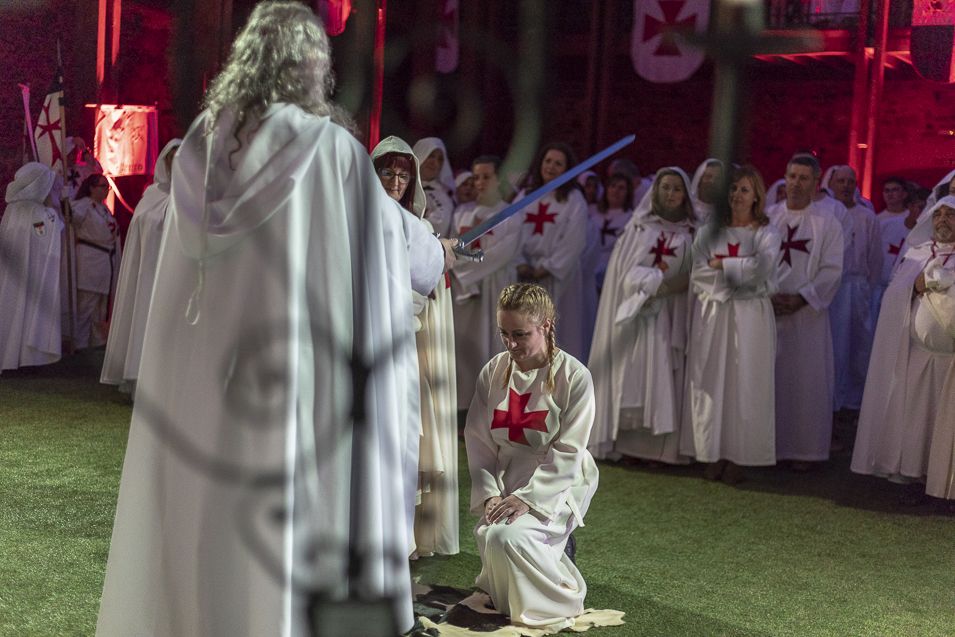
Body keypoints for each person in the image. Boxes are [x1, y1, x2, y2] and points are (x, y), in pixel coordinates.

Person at [95, 4, 437, 635]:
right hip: (298, 371)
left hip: (208, 373)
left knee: (211, 503)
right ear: (312, 69)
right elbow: (388, 258)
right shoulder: (331, 149)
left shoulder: (202, 149)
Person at [464, 283, 598, 631]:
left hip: (556, 481)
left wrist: (528, 498)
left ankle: (560, 594)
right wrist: (492, 493)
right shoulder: (493, 372)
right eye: (503, 334)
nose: (510, 344)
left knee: (506, 537)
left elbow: (570, 449)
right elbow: (478, 441)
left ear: (547, 326)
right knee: (491, 532)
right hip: (507, 476)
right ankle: (516, 596)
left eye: (520, 334)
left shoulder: (575, 377)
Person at [371, 135, 459, 559]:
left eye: (404, 175)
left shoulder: (414, 226)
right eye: (387, 172)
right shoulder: (377, 222)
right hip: (375, 347)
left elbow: (424, 287)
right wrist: (440, 253)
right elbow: (421, 278)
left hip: (400, 348)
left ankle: (392, 538)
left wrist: (439, 252)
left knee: (396, 442)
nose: (394, 181)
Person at [588, 167, 695, 464]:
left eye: (676, 189)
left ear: (685, 195)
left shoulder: (691, 231)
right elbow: (622, 273)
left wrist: (674, 286)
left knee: (668, 374)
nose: (670, 194)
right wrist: (652, 283)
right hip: (637, 313)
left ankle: (662, 449)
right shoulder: (639, 228)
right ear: (655, 192)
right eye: (665, 188)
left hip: (674, 311)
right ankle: (630, 444)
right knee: (633, 373)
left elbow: (696, 271)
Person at [684, 166, 780, 483]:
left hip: (750, 316)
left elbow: (761, 270)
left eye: (744, 190)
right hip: (714, 314)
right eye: (733, 189)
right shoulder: (709, 231)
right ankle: (712, 451)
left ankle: (742, 455)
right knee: (713, 382)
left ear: (756, 197)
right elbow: (698, 272)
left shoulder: (767, 233)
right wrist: (734, 273)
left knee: (746, 382)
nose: (737, 195)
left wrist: (721, 264)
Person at [852, 197, 955, 488]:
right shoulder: (916, 256)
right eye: (939, 214)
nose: (943, 220)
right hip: (918, 356)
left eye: (951, 215)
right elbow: (894, 295)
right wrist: (914, 285)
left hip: (951, 361)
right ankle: (913, 472)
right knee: (916, 421)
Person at [766, 155, 844, 469]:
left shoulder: (828, 222)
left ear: (815, 181)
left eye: (803, 178)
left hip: (808, 314)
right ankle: (767, 447)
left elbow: (833, 269)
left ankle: (805, 451)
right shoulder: (768, 217)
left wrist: (802, 298)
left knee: (807, 381)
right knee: (771, 379)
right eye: (792, 176)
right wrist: (768, 296)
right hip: (770, 312)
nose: (796, 184)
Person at [100, 139, 182, 396]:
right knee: (145, 318)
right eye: (172, 159)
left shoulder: (194, 196)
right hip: (148, 270)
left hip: (178, 273)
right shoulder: (152, 196)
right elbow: (142, 232)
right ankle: (140, 380)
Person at [451, 155, 521, 409]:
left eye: (486, 176)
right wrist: (463, 273)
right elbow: (452, 248)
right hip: (465, 292)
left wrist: (467, 271)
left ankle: (491, 408)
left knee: (491, 344)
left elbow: (503, 254)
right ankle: (461, 407)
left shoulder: (511, 215)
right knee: (464, 346)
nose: (480, 182)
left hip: (494, 286)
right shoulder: (461, 213)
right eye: (476, 177)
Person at [514, 142, 591, 361]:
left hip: (558, 278)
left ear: (567, 169)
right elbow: (510, 231)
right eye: (548, 161)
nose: (551, 167)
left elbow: (574, 241)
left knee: (558, 333)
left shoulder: (574, 201)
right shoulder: (525, 196)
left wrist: (546, 268)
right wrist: (520, 262)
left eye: (558, 163)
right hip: (524, 276)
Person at [824, 165, 883, 412]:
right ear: (832, 183)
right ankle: (830, 401)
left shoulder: (867, 216)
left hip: (857, 287)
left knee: (858, 346)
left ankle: (853, 401)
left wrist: (869, 289)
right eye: (841, 181)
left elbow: (875, 257)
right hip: (831, 289)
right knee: (833, 346)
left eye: (850, 181)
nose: (846, 186)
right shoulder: (825, 214)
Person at [0, 162, 62, 373]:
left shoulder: (13, 210)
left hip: (18, 275)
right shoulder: (37, 212)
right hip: (30, 275)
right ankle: (26, 359)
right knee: (23, 311)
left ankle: (14, 357)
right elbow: (44, 235)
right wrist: (56, 213)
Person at [71, 173, 122, 350]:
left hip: (105, 260)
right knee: (86, 304)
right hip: (89, 258)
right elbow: (73, 218)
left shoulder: (104, 209)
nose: (105, 190)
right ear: (92, 187)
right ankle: (78, 342)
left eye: (106, 187)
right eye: (102, 186)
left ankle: (95, 341)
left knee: (99, 305)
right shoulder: (82, 205)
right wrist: (64, 200)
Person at [589, 172, 634, 292]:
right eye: (612, 186)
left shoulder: (631, 219)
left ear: (627, 193)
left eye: (621, 188)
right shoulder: (593, 214)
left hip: (613, 273)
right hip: (590, 269)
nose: (615, 191)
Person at [413, 137, 456, 239]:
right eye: (431, 156)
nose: (434, 162)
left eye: (440, 159)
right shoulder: (401, 187)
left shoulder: (447, 194)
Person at [689, 158, 723, 224]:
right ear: (699, 179)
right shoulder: (687, 208)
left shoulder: (725, 214)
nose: (712, 181)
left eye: (718, 178)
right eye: (708, 177)